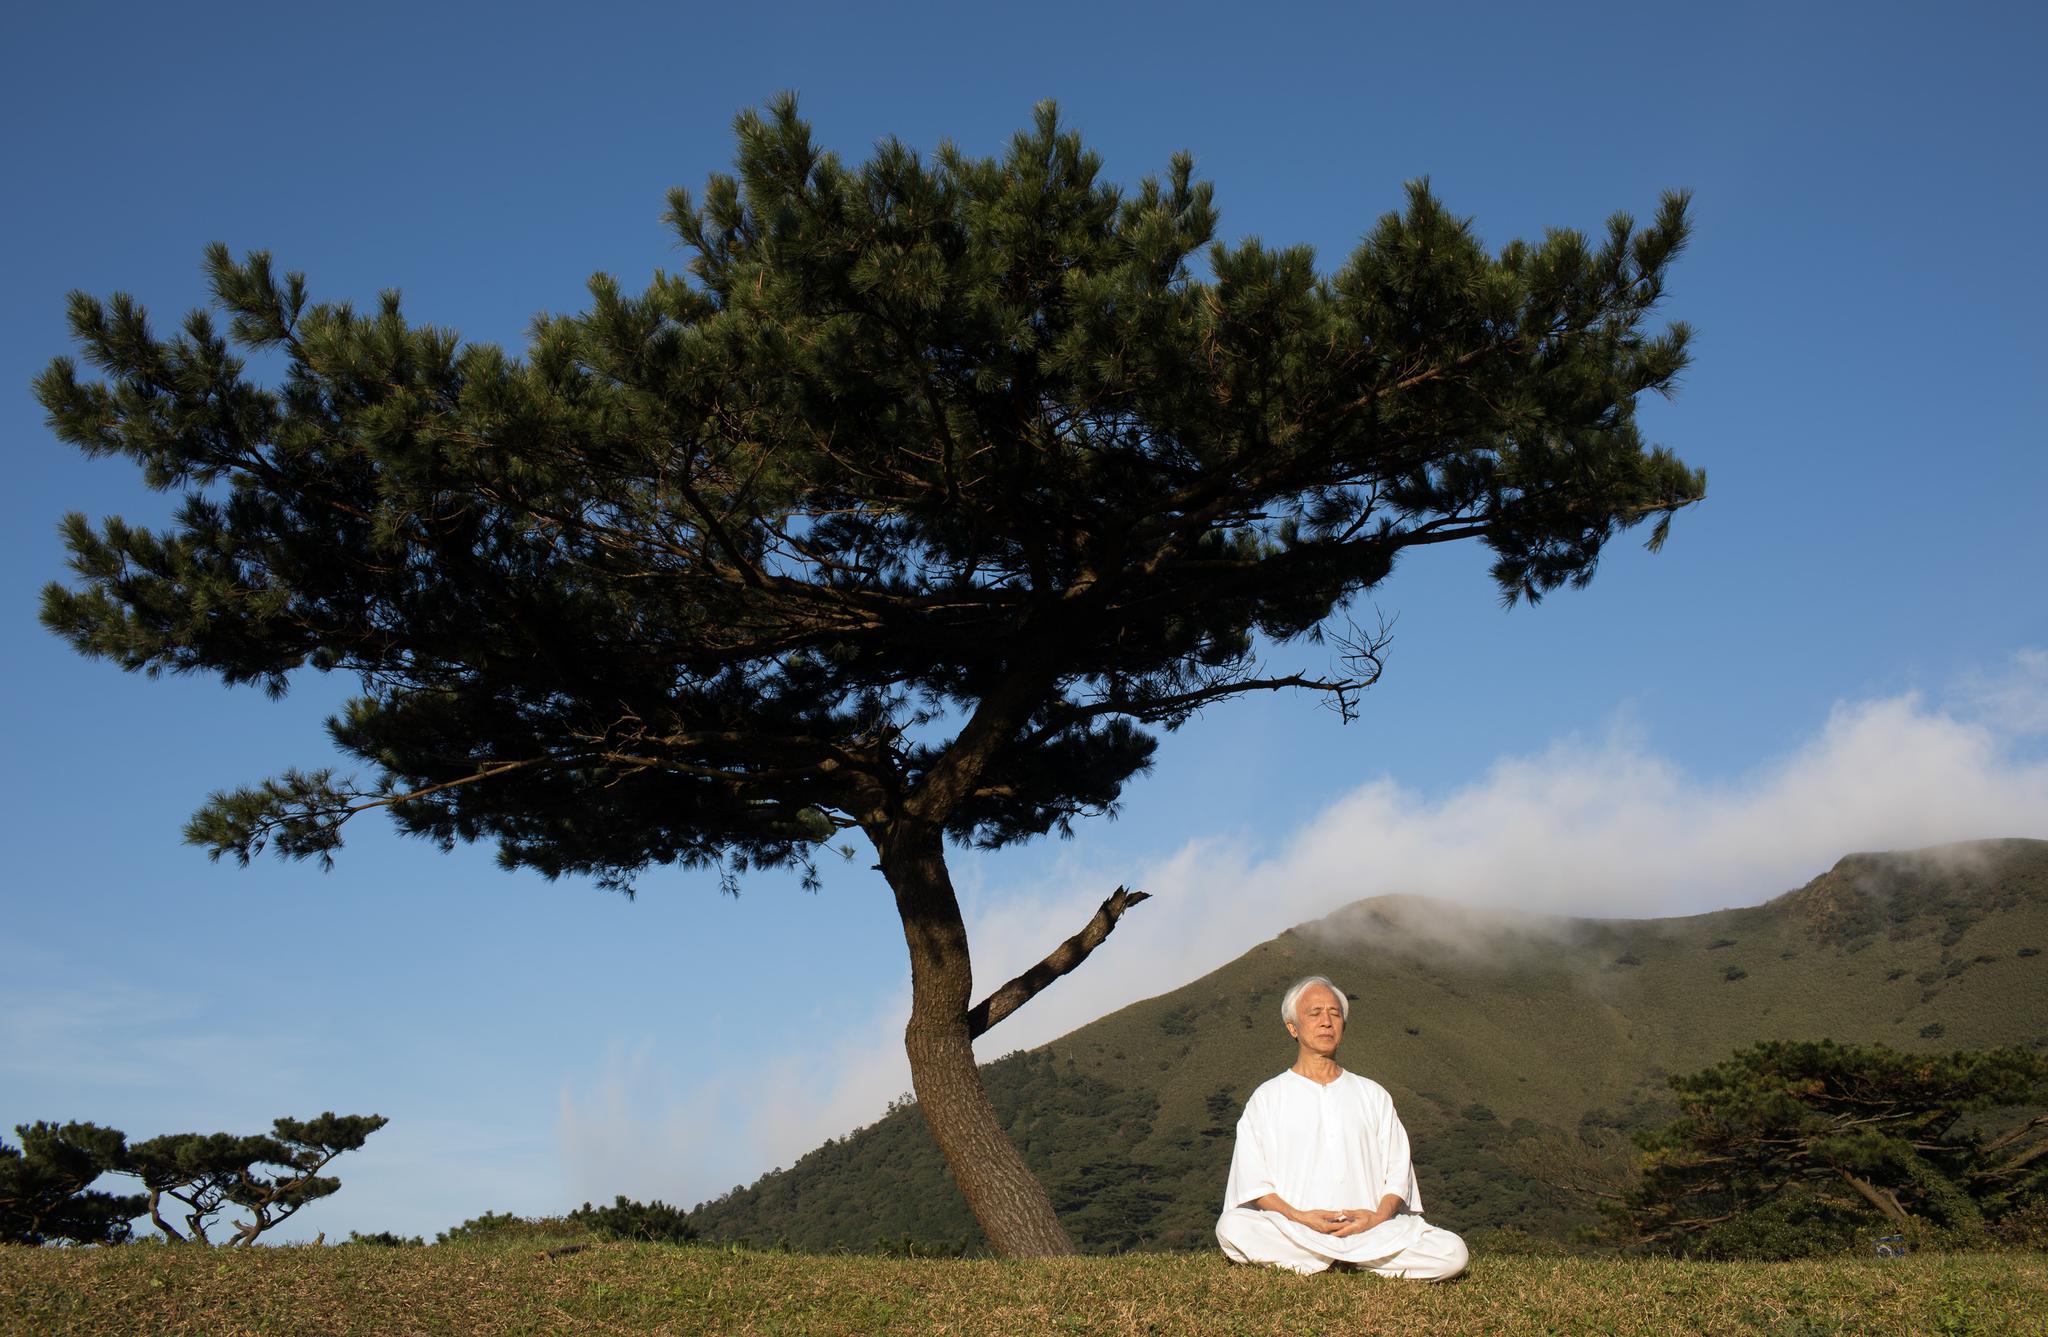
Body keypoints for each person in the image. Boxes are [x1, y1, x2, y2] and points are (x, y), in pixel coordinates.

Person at [1215, 974, 1469, 1279]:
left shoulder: (1372, 1094)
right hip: (1298, 1230)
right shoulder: (1267, 1097)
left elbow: (1397, 1172)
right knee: (1232, 1227)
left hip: (1371, 1231)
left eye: (1335, 1014)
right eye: (1315, 1013)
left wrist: (1377, 1217)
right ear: (1292, 1027)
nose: (1326, 1022)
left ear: (1343, 1026)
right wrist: (1301, 1217)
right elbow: (1254, 1182)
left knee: (1453, 1251)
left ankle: (1332, 1260)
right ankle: (1343, 1259)